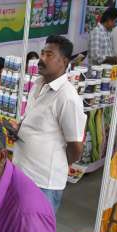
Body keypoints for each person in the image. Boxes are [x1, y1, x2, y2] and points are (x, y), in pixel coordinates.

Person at [13, 35, 86, 213]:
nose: (42, 59)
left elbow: (76, 147)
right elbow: (36, 124)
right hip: (22, 172)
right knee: (18, 224)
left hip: (44, 182)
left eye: (49, 55)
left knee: (37, 228)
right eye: (42, 53)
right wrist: (19, 130)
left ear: (64, 61)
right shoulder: (38, 85)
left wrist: (58, 164)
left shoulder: (67, 97)